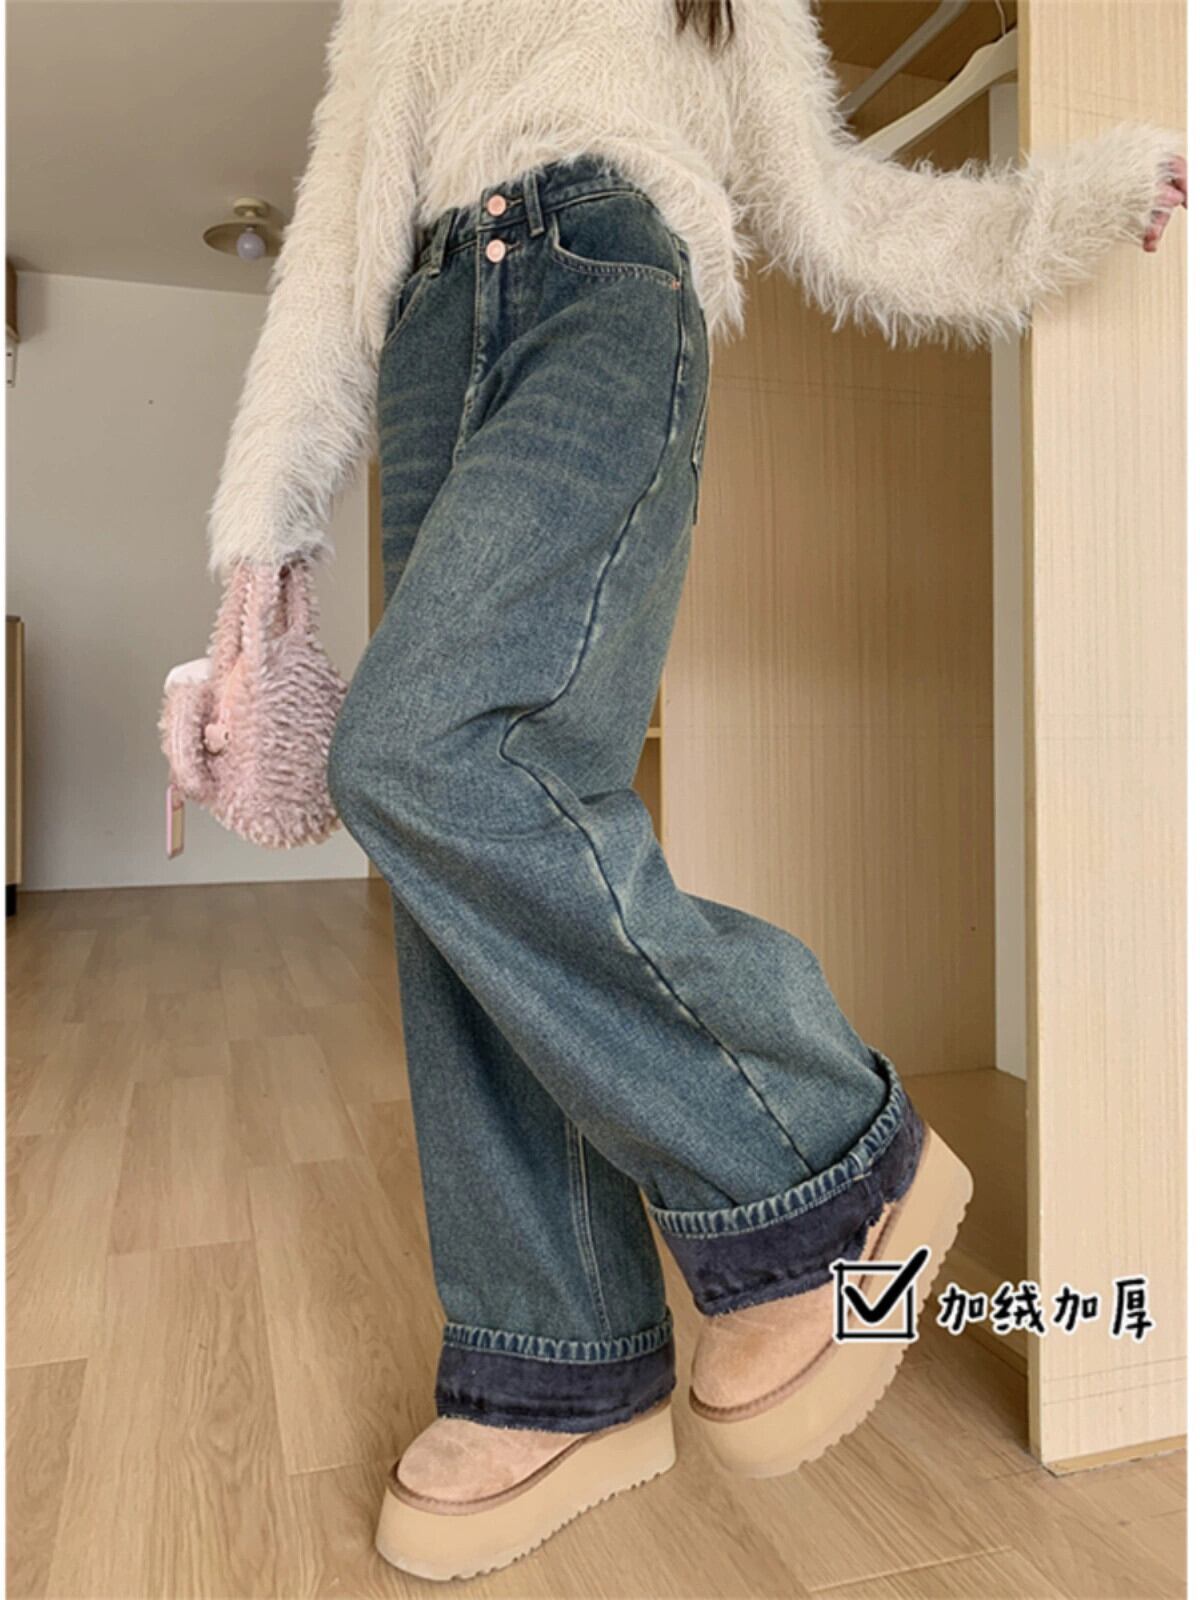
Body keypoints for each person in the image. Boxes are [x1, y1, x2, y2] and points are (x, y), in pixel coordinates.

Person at [205, 0, 1185, 1580]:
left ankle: (819, 1158)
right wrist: (261, 547)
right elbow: (330, 254)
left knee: (420, 750)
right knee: (476, 869)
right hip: (428, 342)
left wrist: (1066, 206)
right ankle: (556, 1362)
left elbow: (834, 207)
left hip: (605, 284)